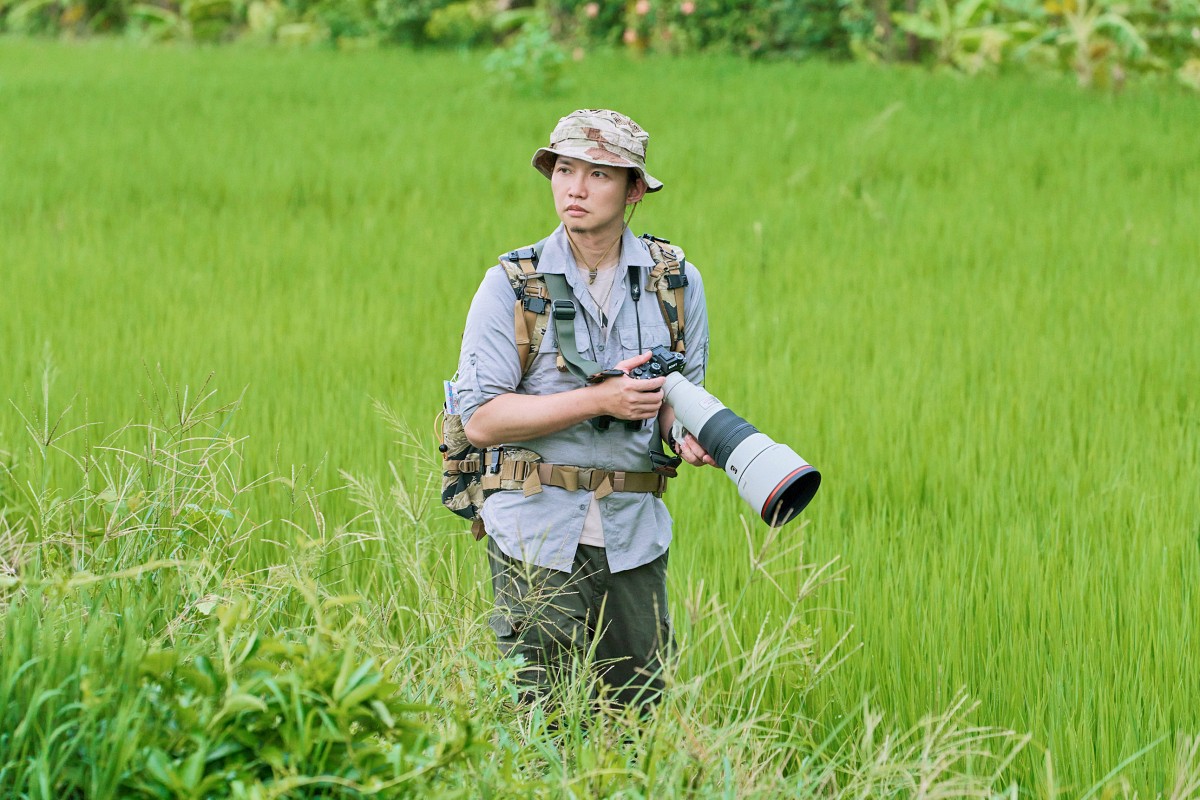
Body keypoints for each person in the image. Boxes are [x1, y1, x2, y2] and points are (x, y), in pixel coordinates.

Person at [454, 109, 714, 709]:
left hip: (634, 538)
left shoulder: (674, 282)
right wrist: (598, 399)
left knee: (634, 717)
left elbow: (678, 403)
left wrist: (688, 438)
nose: (575, 188)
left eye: (599, 174)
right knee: (537, 720)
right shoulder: (513, 284)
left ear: (633, 191)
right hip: (533, 535)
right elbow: (483, 419)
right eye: (565, 169)